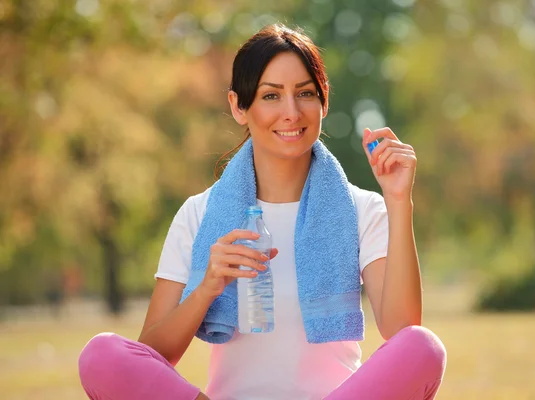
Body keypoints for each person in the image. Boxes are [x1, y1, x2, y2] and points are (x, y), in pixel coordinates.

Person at [78, 24, 446, 400]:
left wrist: (399, 200)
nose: (291, 112)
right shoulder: (198, 214)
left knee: (423, 348)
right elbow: (153, 355)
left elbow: (401, 331)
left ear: (324, 103)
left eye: (305, 93)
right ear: (239, 107)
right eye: (271, 96)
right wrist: (208, 287)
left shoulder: (363, 209)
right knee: (101, 356)